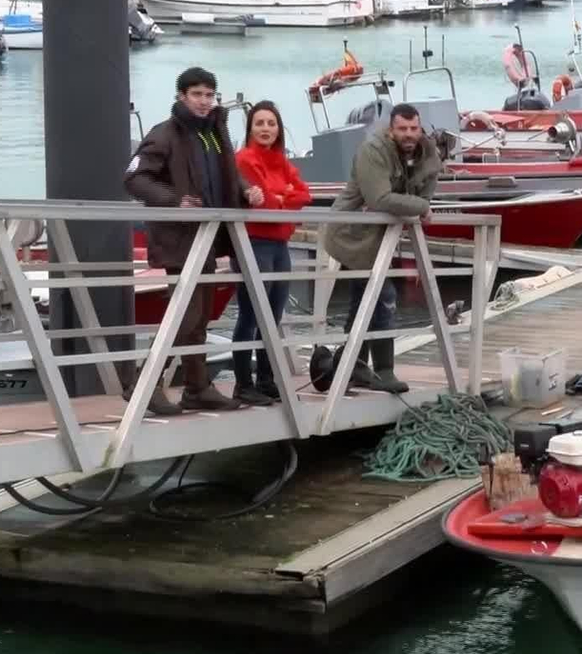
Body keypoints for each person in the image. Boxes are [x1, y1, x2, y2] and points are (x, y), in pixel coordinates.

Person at [124, 66, 264, 414]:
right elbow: (134, 178)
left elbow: (228, 174)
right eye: (196, 94)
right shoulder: (165, 134)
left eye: (208, 95)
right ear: (181, 97)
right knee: (184, 315)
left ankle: (197, 387)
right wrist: (174, 201)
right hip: (179, 240)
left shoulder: (215, 133)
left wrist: (247, 191)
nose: (204, 102)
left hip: (209, 239)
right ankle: (144, 384)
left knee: (199, 318)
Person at [321, 103, 442, 393]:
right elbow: (379, 198)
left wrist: (418, 205)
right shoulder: (372, 150)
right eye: (402, 128)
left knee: (363, 299)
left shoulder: (428, 154)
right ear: (391, 129)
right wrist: (421, 206)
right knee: (382, 295)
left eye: (414, 128)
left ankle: (353, 365)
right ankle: (384, 370)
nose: (409, 134)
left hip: (382, 239)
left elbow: (425, 190)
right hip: (352, 233)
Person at [230, 100, 311, 406]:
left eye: (271, 123)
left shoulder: (282, 160)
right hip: (254, 243)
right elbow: (263, 206)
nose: (266, 129)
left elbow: (305, 194)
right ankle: (242, 383)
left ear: (279, 129)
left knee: (273, 314)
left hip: (280, 245)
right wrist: (282, 198)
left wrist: (282, 197)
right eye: (260, 123)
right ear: (250, 127)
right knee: (251, 314)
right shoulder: (245, 160)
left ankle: (265, 379)